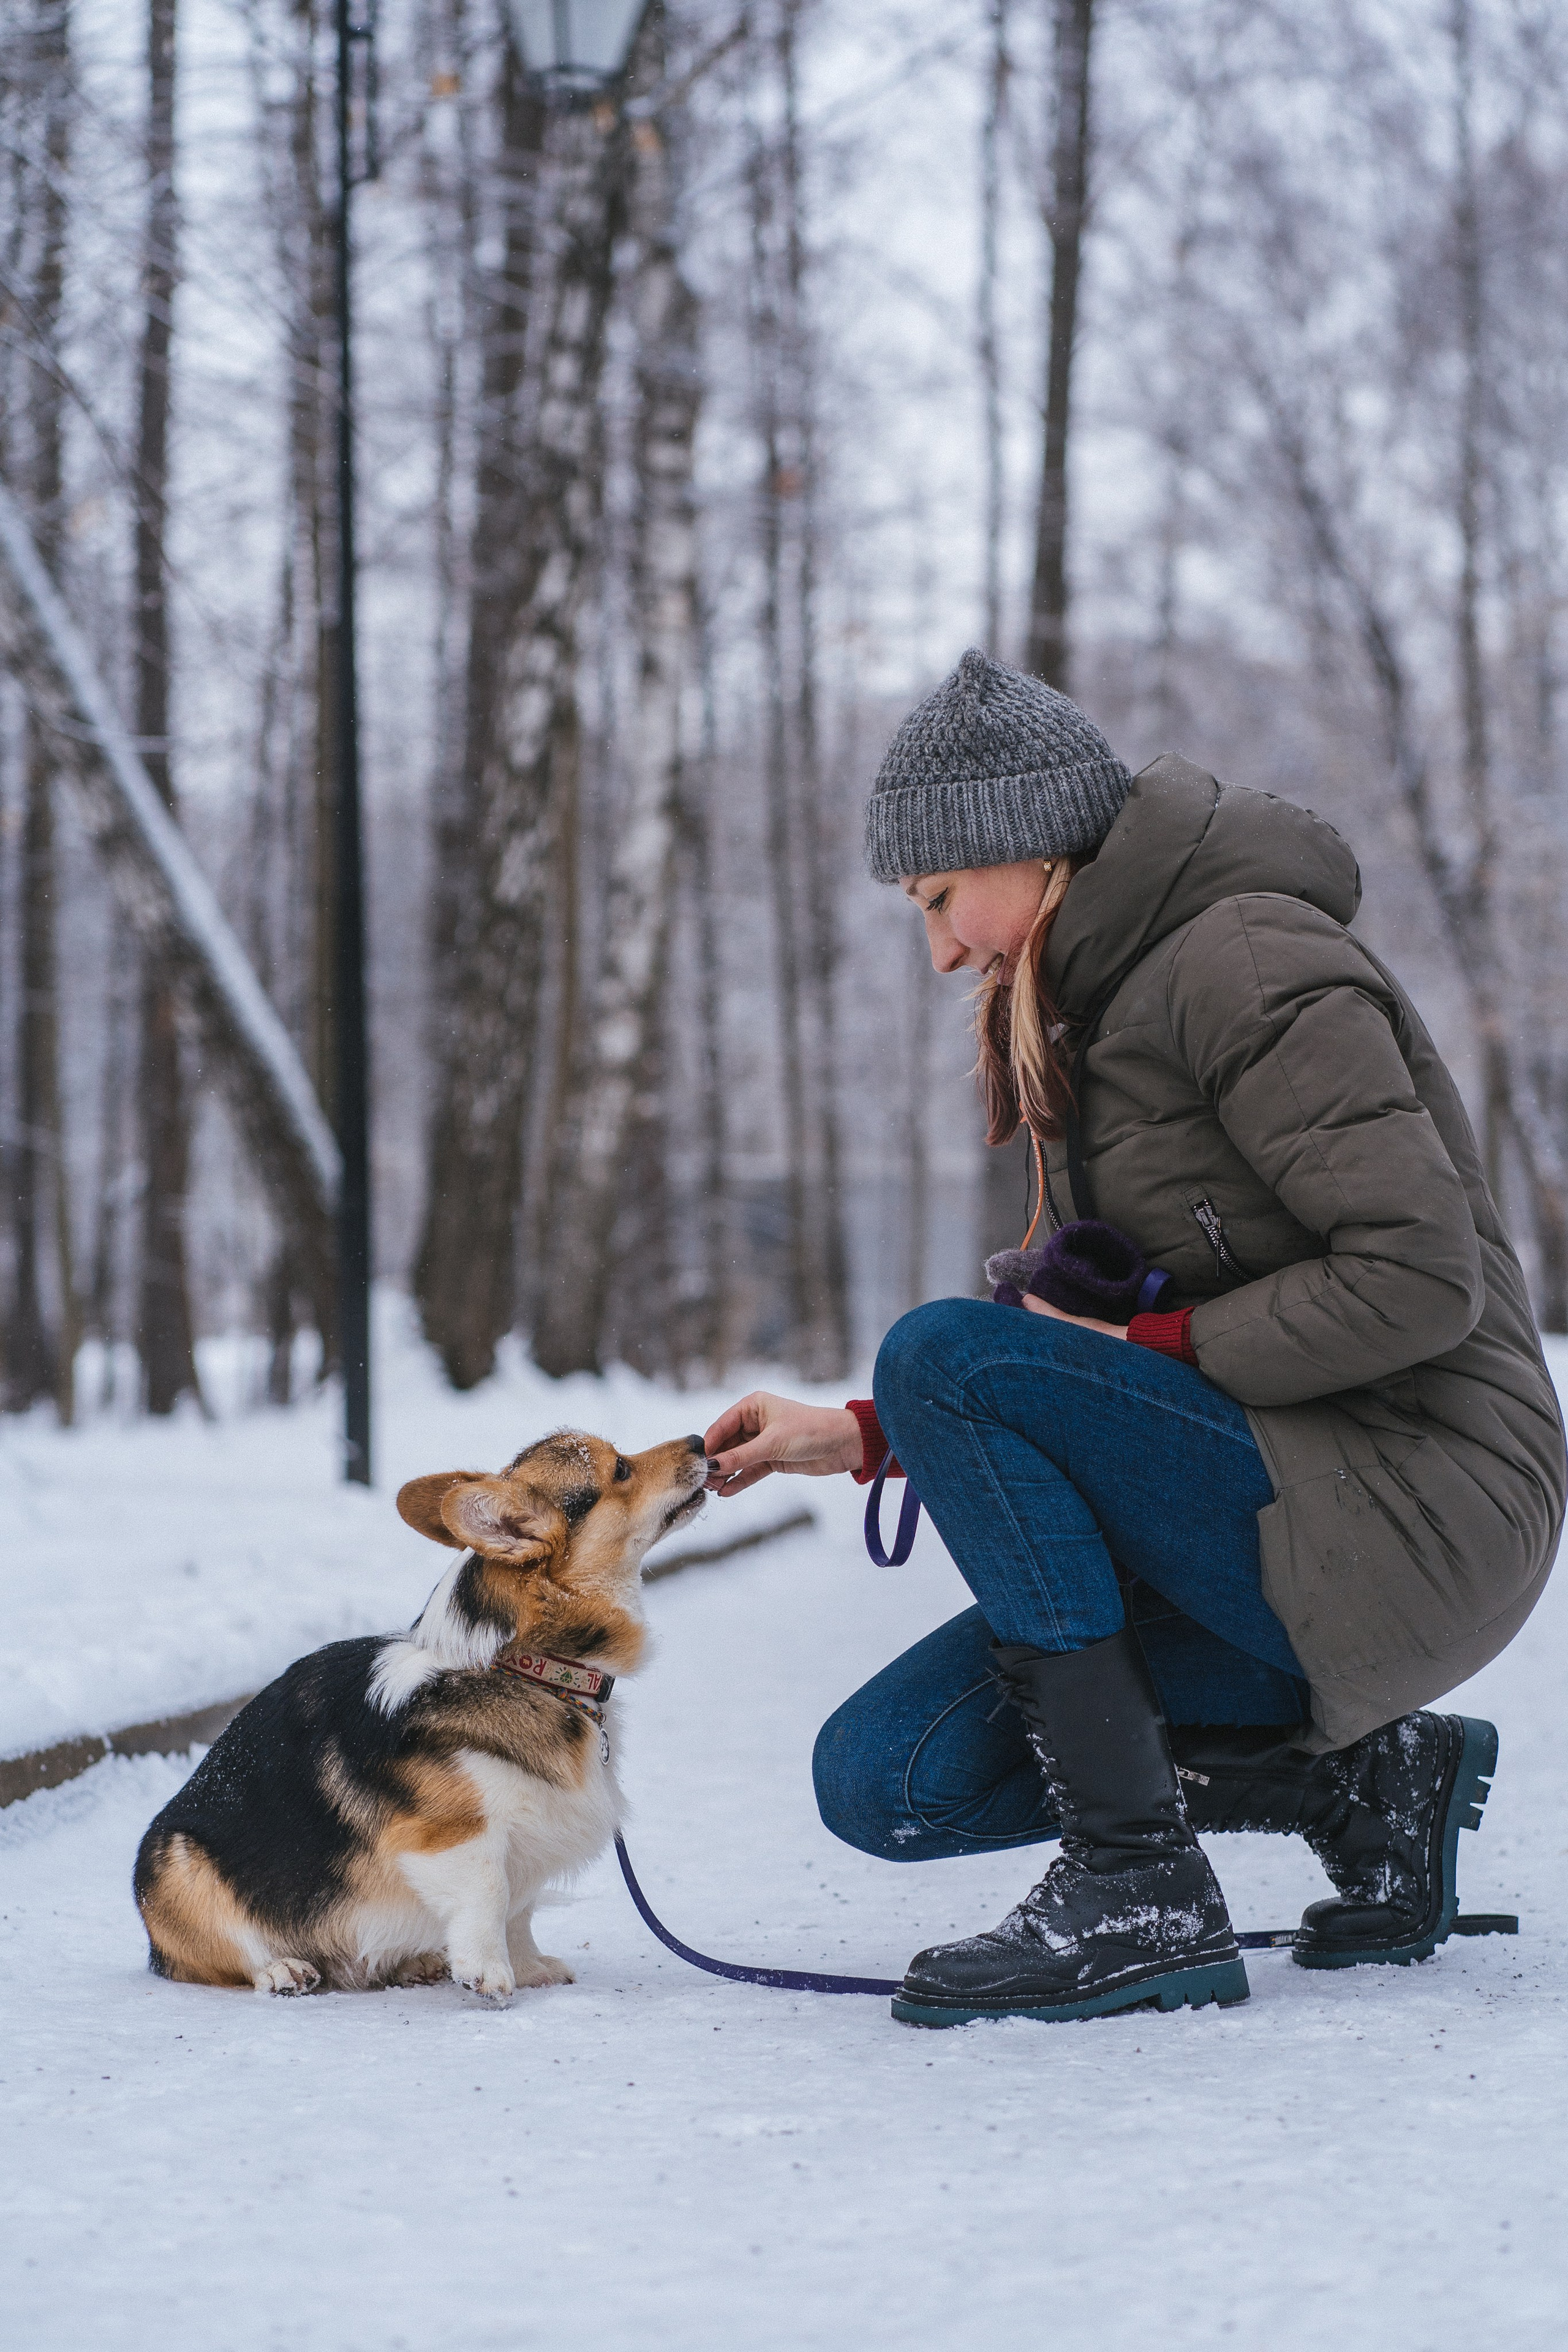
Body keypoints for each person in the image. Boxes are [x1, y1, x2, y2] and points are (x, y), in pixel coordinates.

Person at [701, 648, 1566, 2029]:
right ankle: (1366, 1783)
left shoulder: (1245, 961)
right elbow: (1093, 1355)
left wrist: (1124, 1351)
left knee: (936, 1348)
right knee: (886, 1780)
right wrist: (859, 1437)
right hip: (1285, 1494)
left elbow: (1414, 1281)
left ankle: (1135, 1893)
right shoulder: (1095, 1009)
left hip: (1422, 1495)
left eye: (937, 898)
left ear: (1029, 851)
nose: (936, 949)